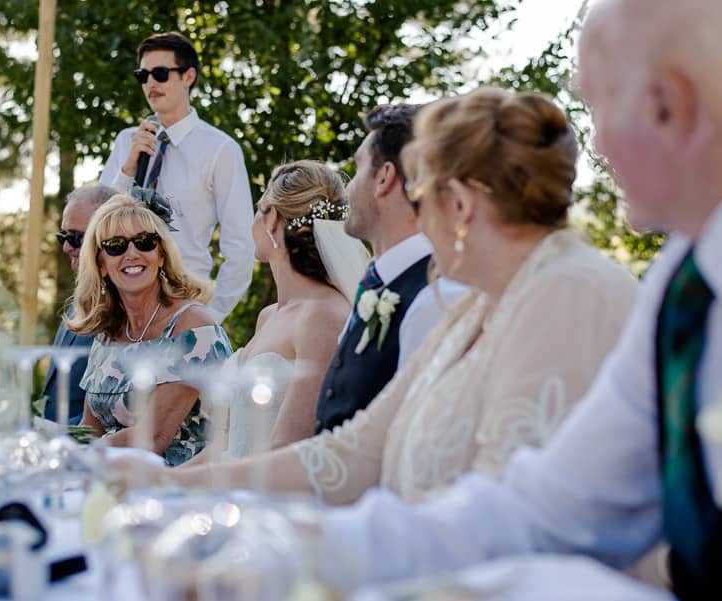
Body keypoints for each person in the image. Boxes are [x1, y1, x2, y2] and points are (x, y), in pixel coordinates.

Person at [307, 1, 722, 598]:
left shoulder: (578, 288)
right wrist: (299, 547)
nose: (594, 146)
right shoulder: (681, 283)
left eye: (600, 103)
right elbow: (553, 506)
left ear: (668, 105)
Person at [126, 89, 637, 507]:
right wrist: (165, 482)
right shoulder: (468, 307)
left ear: (457, 200)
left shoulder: (566, 293)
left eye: (425, 190)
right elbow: (355, 449)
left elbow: (509, 511)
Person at [184, 160, 366, 463]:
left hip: (270, 495)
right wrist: (164, 481)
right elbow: (231, 443)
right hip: (232, 482)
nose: (253, 219)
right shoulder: (269, 316)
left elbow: (286, 447)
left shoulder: (323, 317)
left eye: (259, 208)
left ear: (273, 221)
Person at [314, 104, 465, 435]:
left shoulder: (438, 298)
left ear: (384, 177)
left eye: (357, 169)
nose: (349, 187)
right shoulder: (379, 287)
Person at [66, 192, 233, 466]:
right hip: (113, 478)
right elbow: (90, 427)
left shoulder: (194, 328)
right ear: (101, 264)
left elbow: (154, 438)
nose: (132, 254)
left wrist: (87, 453)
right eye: (116, 245)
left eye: (144, 242)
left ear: (161, 255)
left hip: (181, 485)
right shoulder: (108, 334)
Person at [98, 32, 253, 324]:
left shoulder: (220, 149)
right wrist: (127, 169)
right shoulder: (127, 142)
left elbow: (241, 246)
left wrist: (212, 315)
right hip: (122, 307)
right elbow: (97, 225)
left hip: (185, 302)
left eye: (160, 73)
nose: (151, 84)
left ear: (188, 76)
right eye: (143, 75)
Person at [42, 184, 117, 424]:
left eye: (75, 238)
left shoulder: (126, 306)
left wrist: (60, 436)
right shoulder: (79, 299)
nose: (65, 247)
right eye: (62, 236)